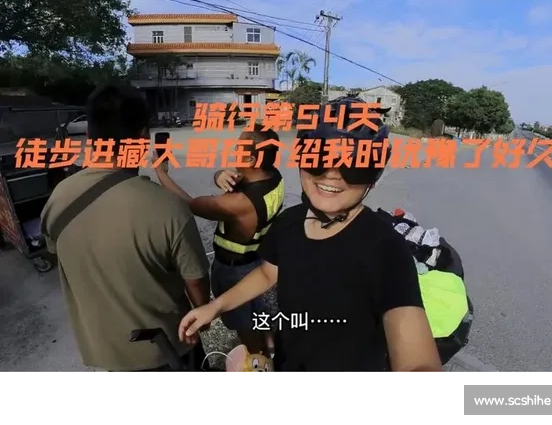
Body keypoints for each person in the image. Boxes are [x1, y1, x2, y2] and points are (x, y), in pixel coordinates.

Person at [178, 96, 443, 372]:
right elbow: (268, 273)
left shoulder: (386, 248)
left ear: (373, 175)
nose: (332, 174)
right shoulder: (289, 223)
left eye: (355, 164)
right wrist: (216, 306)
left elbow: (418, 361)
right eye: (319, 157)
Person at [40, 83, 211, 372]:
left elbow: (60, 253)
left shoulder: (58, 199)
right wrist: (202, 318)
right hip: (168, 353)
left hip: (103, 354)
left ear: (90, 135)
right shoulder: (168, 209)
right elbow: (197, 286)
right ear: (143, 138)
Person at [155, 123, 284, 356]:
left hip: (232, 269)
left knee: (242, 321)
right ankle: (270, 343)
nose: (234, 150)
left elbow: (189, 204)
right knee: (257, 307)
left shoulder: (238, 203)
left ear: (252, 160)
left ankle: (258, 358)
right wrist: (219, 176)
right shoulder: (273, 176)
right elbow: (234, 177)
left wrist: (161, 172)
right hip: (254, 260)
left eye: (239, 148)